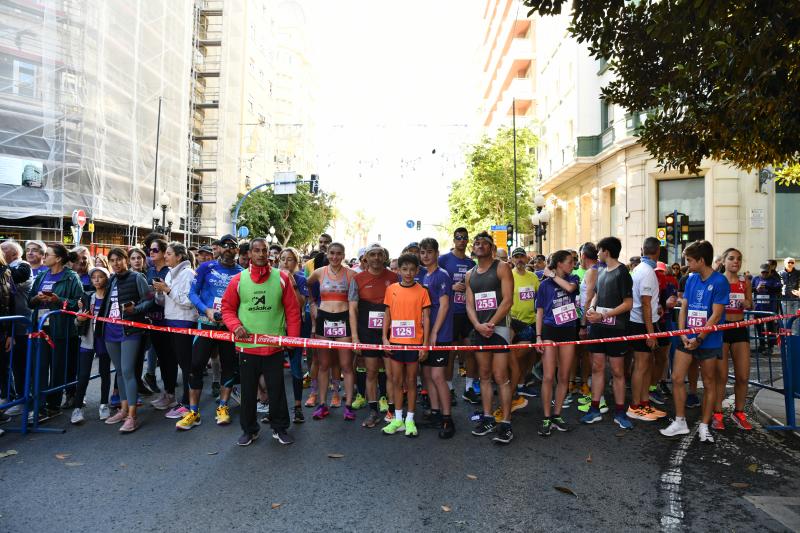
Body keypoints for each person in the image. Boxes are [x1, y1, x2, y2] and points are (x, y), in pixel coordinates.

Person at [221, 237, 301, 446]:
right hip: (248, 347)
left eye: (264, 250)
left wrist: (291, 338)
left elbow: (293, 311)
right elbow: (227, 308)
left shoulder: (281, 278)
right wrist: (235, 326)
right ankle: (249, 430)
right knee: (248, 392)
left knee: (277, 390)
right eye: (256, 250)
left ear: (269, 253)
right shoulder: (238, 280)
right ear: (249, 254)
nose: (261, 254)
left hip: (273, 347)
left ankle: (280, 428)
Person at [661, 240, 729, 443]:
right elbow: (684, 307)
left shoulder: (719, 282)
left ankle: (704, 425)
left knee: (709, 382)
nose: (687, 263)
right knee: (677, 378)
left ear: (701, 260)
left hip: (708, 340)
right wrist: (682, 333)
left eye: (689, 260)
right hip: (687, 337)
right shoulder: (690, 279)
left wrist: (699, 338)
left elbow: (716, 315)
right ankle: (680, 421)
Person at [174, 234, 243, 431]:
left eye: (233, 246)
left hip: (228, 328)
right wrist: (206, 310)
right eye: (225, 246)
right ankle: (193, 412)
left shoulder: (242, 273)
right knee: (196, 365)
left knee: (228, 366)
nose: (229, 249)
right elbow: (192, 293)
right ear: (218, 249)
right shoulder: (206, 267)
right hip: (206, 324)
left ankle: (223, 407)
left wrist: (235, 320)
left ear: (237, 251)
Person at [466, 231, 515, 445]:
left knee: (500, 376)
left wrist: (491, 324)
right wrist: (478, 325)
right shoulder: (470, 274)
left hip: (499, 328)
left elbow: (507, 300)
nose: (479, 245)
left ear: (491, 248)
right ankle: (487, 417)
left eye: (483, 243)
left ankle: (506, 422)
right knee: (483, 375)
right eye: (476, 243)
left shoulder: (502, 267)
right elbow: (470, 304)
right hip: (480, 329)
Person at [581, 237, 634, 429]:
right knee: (597, 367)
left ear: (607, 251)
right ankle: (595, 408)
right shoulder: (600, 270)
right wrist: (592, 309)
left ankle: (620, 412)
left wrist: (603, 315)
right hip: (597, 328)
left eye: (599, 250)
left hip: (616, 329)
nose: (597, 254)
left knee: (618, 371)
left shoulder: (623, 273)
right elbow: (596, 294)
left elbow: (628, 303)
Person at [28, 244, 83, 421]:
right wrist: (37, 298)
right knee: (40, 366)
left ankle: (53, 406)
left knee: (58, 367)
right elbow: (30, 300)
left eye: (47, 254)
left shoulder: (71, 277)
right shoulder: (43, 274)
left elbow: (78, 303)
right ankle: (40, 405)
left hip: (61, 329)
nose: (44, 257)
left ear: (58, 258)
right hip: (41, 327)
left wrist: (58, 300)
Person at [99, 247, 151, 432]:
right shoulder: (111, 279)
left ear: (126, 260)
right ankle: (123, 409)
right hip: (110, 330)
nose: (116, 263)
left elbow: (149, 300)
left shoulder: (137, 277)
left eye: (119, 259)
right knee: (119, 372)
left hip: (130, 330)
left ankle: (132, 416)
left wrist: (135, 310)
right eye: (112, 260)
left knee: (128, 371)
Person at [381, 253, 431, 437]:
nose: (408, 273)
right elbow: (387, 315)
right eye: (404, 269)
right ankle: (398, 419)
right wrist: (384, 339)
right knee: (396, 380)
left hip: (414, 344)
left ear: (417, 270)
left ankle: (410, 420)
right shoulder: (391, 289)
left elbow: (426, 319)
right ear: (399, 270)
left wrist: (424, 345)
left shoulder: (422, 291)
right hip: (394, 342)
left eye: (412, 269)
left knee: (410, 382)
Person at [348, 243, 397, 429]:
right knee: (371, 372)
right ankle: (373, 410)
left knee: (391, 373)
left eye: (380, 254)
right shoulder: (357, 279)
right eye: (372, 254)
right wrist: (355, 337)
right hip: (366, 331)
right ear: (365, 258)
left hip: (390, 331)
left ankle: (392, 410)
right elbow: (352, 309)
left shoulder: (394, 277)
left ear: (384, 257)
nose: (376, 258)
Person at [306, 242, 356, 420]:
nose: (335, 257)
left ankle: (348, 405)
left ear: (343, 255)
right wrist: (312, 303)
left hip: (343, 319)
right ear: (327, 254)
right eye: (332, 253)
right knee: (324, 365)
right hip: (324, 319)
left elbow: (355, 301)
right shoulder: (320, 272)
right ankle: (322, 404)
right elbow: (306, 284)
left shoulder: (351, 274)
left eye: (339, 254)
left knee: (346, 366)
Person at [535, 250, 580, 436]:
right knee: (547, 376)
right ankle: (546, 417)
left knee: (564, 376)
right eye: (569, 262)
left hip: (568, 330)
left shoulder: (574, 278)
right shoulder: (544, 285)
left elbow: (569, 290)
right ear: (560, 263)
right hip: (549, 330)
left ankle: (557, 415)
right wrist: (538, 336)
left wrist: (552, 275)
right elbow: (539, 311)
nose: (573, 264)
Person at [153, 243, 199, 425]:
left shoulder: (188, 274)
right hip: (171, 321)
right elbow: (167, 301)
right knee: (182, 363)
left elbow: (188, 301)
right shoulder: (169, 273)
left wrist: (168, 290)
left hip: (184, 322)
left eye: (169, 254)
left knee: (187, 365)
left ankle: (188, 403)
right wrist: (160, 293)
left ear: (179, 256)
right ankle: (184, 401)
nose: (166, 257)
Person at [627, 237, 667, 422]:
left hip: (641, 322)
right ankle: (636, 406)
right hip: (641, 324)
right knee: (642, 366)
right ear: (657, 251)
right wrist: (650, 333)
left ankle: (643, 403)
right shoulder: (647, 272)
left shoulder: (640, 269)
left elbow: (647, 302)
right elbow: (644, 304)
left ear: (643, 250)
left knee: (645, 364)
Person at [419, 238, 456, 438]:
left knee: (437, 376)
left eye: (429, 252)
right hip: (426, 334)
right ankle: (435, 412)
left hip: (440, 334)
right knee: (427, 376)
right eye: (422, 252)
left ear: (436, 253)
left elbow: (444, 306)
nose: (425, 256)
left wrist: (434, 332)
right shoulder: (425, 275)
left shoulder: (442, 275)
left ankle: (447, 418)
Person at [714, 248, 753, 431]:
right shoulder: (717, 280)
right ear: (723, 261)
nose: (735, 262)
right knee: (720, 377)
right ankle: (717, 413)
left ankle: (739, 412)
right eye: (731, 258)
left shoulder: (745, 282)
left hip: (739, 329)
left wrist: (747, 303)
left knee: (743, 376)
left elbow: (749, 303)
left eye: (738, 258)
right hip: (722, 330)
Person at [438, 227, 477, 405]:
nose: (461, 240)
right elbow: (435, 280)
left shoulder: (471, 263)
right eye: (458, 238)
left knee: (470, 351)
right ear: (454, 240)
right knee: (451, 353)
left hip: (467, 313)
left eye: (464, 238)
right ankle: (449, 388)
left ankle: (469, 388)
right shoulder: (444, 259)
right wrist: (451, 287)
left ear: (467, 241)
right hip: (450, 313)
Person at [72, 266, 112, 423]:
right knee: (83, 375)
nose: (96, 279)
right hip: (87, 340)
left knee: (105, 373)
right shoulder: (87, 297)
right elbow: (77, 320)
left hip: (105, 340)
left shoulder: (110, 298)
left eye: (100, 276)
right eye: (93, 277)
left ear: (106, 279)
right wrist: (79, 319)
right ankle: (77, 408)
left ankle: (104, 404)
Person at [0, 240, 32, 415]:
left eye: (3, 248)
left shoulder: (21, 266)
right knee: (9, 365)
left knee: (19, 364)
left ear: (12, 253)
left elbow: (18, 278)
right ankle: (10, 396)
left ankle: (21, 398)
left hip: (19, 326)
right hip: (11, 326)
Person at [278, 246, 308, 423]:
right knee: (274, 370)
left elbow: (300, 304)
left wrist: (292, 282)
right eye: (283, 259)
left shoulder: (301, 279)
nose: (285, 262)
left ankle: (297, 407)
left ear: (296, 263)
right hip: (277, 327)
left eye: (290, 259)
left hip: (296, 328)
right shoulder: (273, 278)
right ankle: (274, 406)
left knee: (296, 367)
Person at [508, 247, 539, 405]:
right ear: (512, 260)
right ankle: (514, 386)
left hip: (532, 321)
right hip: (515, 323)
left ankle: (522, 384)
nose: (519, 260)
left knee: (530, 357)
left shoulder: (533, 277)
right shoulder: (508, 276)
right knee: (517, 357)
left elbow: (538, 298)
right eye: (516, 257)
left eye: (522, 257)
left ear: (527, 259)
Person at [752, 263, 782, 354]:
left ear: (770, 272)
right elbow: (749, 288)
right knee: (759, 328)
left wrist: (767, 287)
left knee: (770, 328)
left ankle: (770, 347)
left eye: (766, 272)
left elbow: (778, 289)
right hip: (758, 308)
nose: (764, 274)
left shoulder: (774, 279)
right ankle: (761, 345)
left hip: (769, 309)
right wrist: (756, 289)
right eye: (762, 272)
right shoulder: (756, 278)